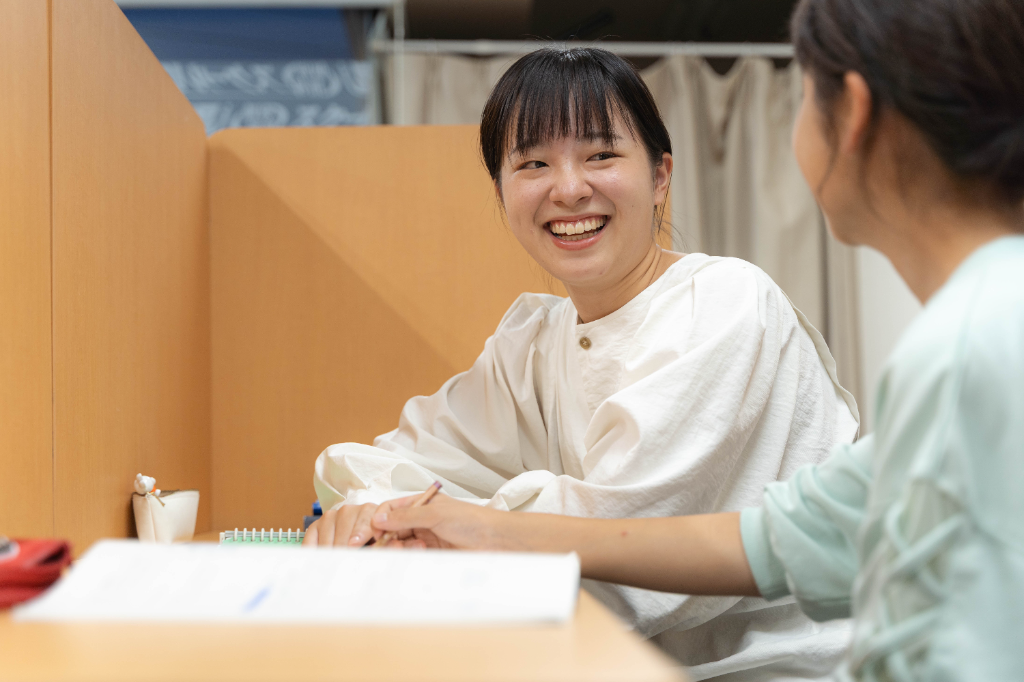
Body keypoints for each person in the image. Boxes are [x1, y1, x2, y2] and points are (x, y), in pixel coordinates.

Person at [369, 0, 1024, 680]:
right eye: (533, 164)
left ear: (851, 114)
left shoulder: (964, 339)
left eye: (801, 96)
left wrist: (473, 525)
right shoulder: (981, 319)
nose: (568, 188)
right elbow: (783, 537)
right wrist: (469, 526)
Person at [304, 48, 859, 679]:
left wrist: (453, 524)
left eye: (600, 156)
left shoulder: (725, 305)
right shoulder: (534, 337)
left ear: (661, 177)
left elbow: (626, 544)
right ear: (501, 192)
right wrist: (378, 516)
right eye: (533, 163)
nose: (568, 189)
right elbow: (397, 456)